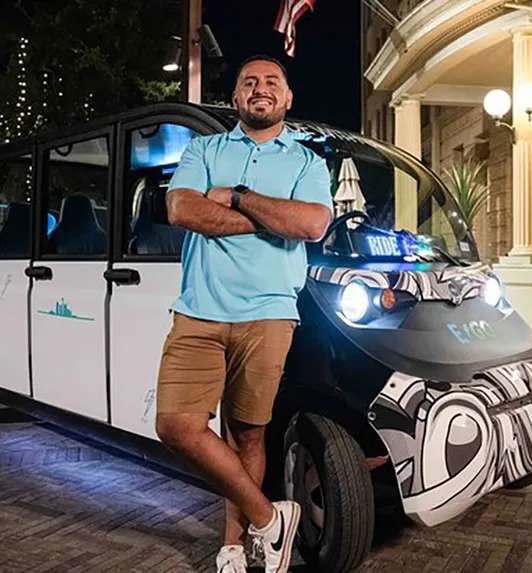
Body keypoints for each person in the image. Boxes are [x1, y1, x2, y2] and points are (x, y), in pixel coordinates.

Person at [154, 54, 333, 573]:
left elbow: (313, 224)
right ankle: (269, 516)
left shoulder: (306, 163)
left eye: (271, 81)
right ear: (235, 98)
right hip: (198, 311)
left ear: (287, 98)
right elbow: (182, 210)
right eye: (248, 81)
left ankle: (237, 546)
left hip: (270, 313)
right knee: (177, 425)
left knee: (248, 434)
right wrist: (275, 219)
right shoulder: (203, 148)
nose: (260, 88)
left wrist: (236, 197)